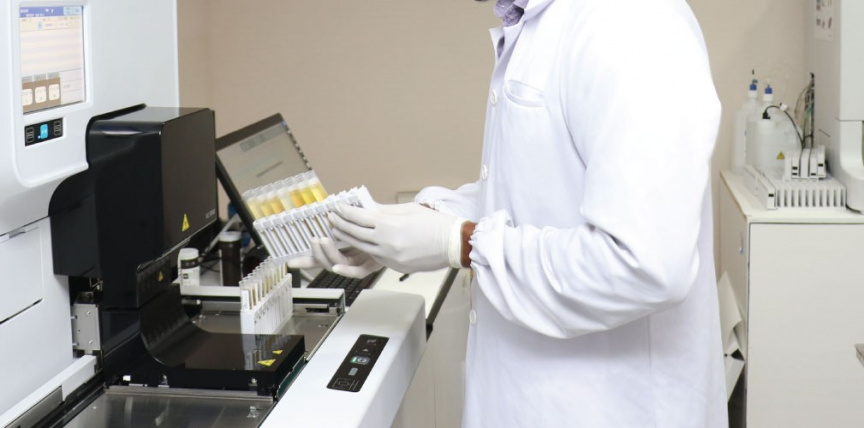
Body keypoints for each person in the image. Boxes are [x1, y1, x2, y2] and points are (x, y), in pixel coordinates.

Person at [290, 0, 727, 426]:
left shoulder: (631, 19)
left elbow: (641, 263)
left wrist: (462, 242)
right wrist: (409, 223)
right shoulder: (542, 22)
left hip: (608, 406)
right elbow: (544, 187)